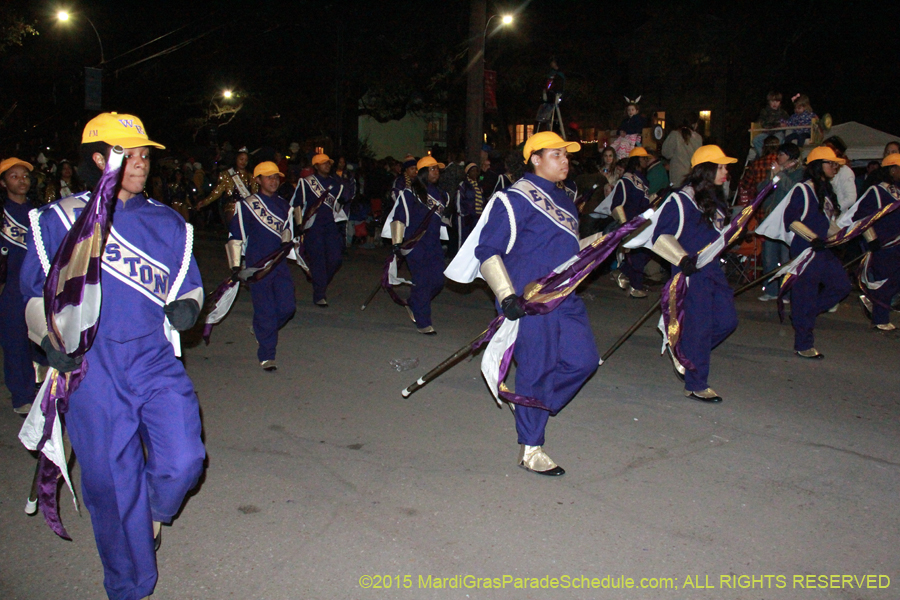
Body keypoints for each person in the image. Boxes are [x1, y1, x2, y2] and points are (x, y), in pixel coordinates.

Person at [21, 112, 205, 600]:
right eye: (130, 154)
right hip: (91, 368)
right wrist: (47, 340)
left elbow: (189, 283)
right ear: (99, 159)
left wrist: (189, 305)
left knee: (185, 458)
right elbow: (32, 296)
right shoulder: (60, 220)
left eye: (145, 154)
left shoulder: (168, 222)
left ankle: (151, 511)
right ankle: (130, 586)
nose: (142, 163)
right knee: (109, 483)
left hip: (153, 358)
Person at [446, 131, 600, 475]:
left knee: (585, 361)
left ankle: (533, 404)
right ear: (535, 158)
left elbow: (568, 252)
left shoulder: (564, 201)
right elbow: (487, 251)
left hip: (565, 296)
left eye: (566, 155)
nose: (565, 161)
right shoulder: (512, 199)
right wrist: (506, 295)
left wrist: (604, 240)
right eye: (557, 154)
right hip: (529, 301)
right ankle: (531, 448)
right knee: (537, 368)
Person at [650, 145, 739, 402]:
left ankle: (687, 353)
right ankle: (696, 383)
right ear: (706, 169)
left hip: (713, 270)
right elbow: (660, 236)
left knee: (727, 321)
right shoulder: (680, 200)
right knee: (699, 328)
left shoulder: (715, 198)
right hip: (690, 273)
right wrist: (682, 259)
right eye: (721, 167)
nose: (726, 172)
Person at [757, 146, 852, 358]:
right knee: (804, 295)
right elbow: (791, 220)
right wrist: (813, 239)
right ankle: (803, 342)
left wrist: (844, 236)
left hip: (822, 250)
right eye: (831, 163)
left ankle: (804, 315)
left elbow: (827, 223)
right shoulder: (803, 189)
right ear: (819, 166)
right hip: (806, 252)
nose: (834, 167)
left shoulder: (824, 191)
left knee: (841, 285)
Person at [227, 162, 296, 370]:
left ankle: (261, 330)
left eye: (276, 177)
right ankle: (267, 355)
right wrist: (236, 266)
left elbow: (286, 231)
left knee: (287, 307)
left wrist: (289, 238)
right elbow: (235, 236)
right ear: (258, 180)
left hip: (279, 264)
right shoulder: (247, 204)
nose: (273, 181)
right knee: (265, 310)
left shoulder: (285, 205)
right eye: (268, 177)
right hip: (257, 265)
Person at [0, 157, 45, 414]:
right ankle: (22, 396)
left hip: (36, 286)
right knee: (15, 341)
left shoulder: (38, 213)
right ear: (3, 182)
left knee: (42, 339)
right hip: (9, 289)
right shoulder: (2, 212)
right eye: (14, 176)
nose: (21, 181)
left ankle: (42, 385)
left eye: (25, 176)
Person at [839, 153, 900, 331]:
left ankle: (871, 299)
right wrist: (871, 239)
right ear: (893, 170)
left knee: (894, 281)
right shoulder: (877, 191)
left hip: (897, 244)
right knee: (884, 280)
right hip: (883, 244)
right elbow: (861, 218)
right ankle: (880, 319)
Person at [389, 156, 448, 334]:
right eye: (432, 169)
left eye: (437, 169)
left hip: (434, 244)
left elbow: (441, 220)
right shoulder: (409, 193)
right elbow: (399, 217)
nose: (436, 172)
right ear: (422, 172)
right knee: (422, 281)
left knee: (438, 280)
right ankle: (423, 322)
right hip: (415, 244)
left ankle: (416, 301)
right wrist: (397, 243)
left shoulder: (442, 195)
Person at [291, 152, 355, 306]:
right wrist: (300, 225)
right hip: (313, 226)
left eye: (328, 163)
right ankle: (319, 294)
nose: (328, 165)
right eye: (324, 163)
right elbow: (297, 204)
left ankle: (319, 281)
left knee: (335, 259)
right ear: (316, 166)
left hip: (330, 225)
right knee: (318, 259)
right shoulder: (306, 183)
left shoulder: (336, 183)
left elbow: (338, 205)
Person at [757, 142, 803, 301]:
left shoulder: (800, 173)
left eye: (782, 154)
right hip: (771, 219)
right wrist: (770, 179)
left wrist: (780, 175)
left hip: (787, 222)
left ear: (791, 157)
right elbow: (760, 191)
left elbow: (794, 190)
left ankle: (787, 292)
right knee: (768, 257)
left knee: (786, 259)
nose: (778, 157)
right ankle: (771, 290)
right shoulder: (776, 171)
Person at [610, 147, 652, 298]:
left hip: (643, 222)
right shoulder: (626, 180)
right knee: (638, 255)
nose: (646, 161)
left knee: (645, 252)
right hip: (631, 222)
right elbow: (616, 204)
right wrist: (625, 225)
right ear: (636, 160)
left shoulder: (643, 180)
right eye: (643, 158)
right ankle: (635, 286)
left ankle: (622, 272)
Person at [195, 148, 257, 225]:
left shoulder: (251, 177)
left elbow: (256, 194)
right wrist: (204, 202)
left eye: (246, 160)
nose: (243, 162)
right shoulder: (226, 175)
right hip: (232, 206)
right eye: (241, 159)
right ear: (236, 159)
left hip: (248, 207)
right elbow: (217, 192)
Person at [661, 117, 703, 188]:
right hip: (693, 176)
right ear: (695, 125)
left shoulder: (675, 135)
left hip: (678, 177)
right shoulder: (698, 138)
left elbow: (666, 153)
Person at [751, 91, 789, 157]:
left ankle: (776, 157)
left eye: (777, 101)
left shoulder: (783, 113)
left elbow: (788, 122)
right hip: (766, 133)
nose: (775, 103)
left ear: (780, 102)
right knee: (756, 140)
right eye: (772, 101)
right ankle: (763, 156)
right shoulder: (764, 112)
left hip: (778, 132)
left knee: (779, 140)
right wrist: (778, 125)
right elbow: (764, 124)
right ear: (769, 102)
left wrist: (785, 125)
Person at [456, 162, 482, 247]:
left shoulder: (478, 185)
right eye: (472, 171)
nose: (475, 173)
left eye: (476, 171)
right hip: (466, 217)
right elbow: (458, 199)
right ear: (468, 172)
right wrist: (462, 213)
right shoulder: (464, 185)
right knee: (463, 240)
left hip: (477, 217)